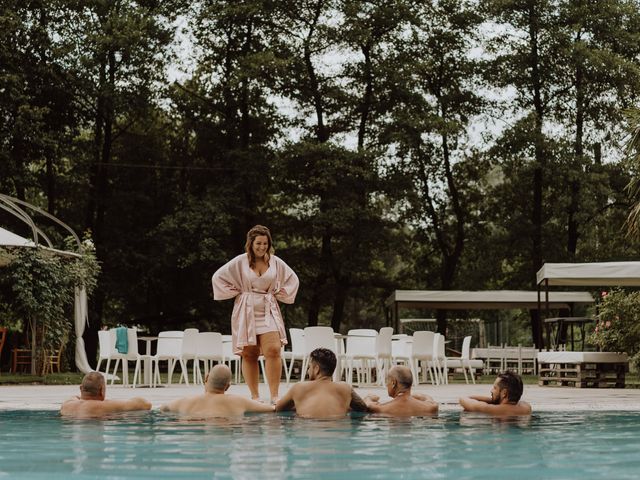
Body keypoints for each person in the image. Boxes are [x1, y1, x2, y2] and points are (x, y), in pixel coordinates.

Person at [212, 225, 299, 404]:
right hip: (246, 311)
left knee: (274, 350)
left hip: (268, 310)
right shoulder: (240, 261)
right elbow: (218, 277)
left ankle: (275, 395)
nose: (262, 247)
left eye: (265, 243)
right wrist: (237, 291)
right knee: (249, 354)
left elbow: (293, 279)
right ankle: (255, 396)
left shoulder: (275, 262)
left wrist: (279, 293)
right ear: (251, 244)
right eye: (258, 243)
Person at [275, 348, 368, 418]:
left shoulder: (299, 387)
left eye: (309, 367)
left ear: (316, 369)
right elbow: (362, 408)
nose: (308, 370)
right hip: (337, 433)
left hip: (307, 430)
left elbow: (279, 408)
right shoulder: (345, 388)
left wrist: (299, 404)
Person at [160, 364, 275, 416]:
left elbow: (162, 409)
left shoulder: (184, 401)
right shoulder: (239, 402)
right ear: (228, 386)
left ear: (206, 377)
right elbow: (273, 409)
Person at [60, 372, 152, 417]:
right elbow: (145, 404)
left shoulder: (67, 404)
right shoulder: (103, 405)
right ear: (101, 390)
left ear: (81, 388)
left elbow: (76, 397)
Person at [364, 365, 438, 416]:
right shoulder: (431, 407)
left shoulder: (380, 409)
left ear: (393, 383)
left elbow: (367, 404)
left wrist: (369, 397)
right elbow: (428, 399)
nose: (387, 385)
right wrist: (418, 396)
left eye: (387, 381)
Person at [459, 371, 532, 415]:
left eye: (495, 388)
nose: (491, 391)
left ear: (504, 393)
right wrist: (496, 399)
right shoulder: (526, 407)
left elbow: (463, 399)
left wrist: (492, 400)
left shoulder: (491, 409)